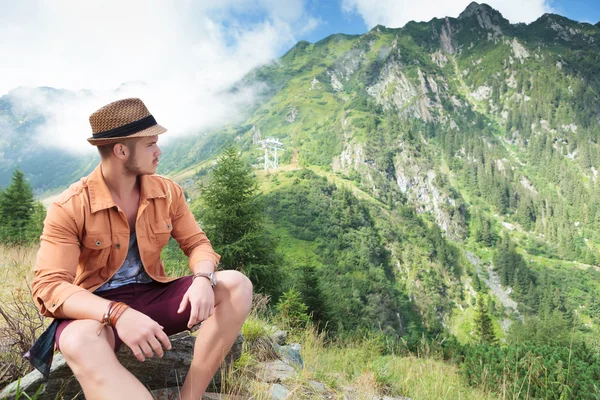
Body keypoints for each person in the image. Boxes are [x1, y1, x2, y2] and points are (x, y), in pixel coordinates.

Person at [28, 98, 253, 400]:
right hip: (95, 310)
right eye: (150, 144)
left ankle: (191, 397)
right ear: (121, 151)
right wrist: (118, 314)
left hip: (151, 295)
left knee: (236, 285)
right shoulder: (70, 206)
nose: (159, 152)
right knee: (79, 340)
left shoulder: (167, 191)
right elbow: (50, 286)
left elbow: (197, 244)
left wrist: (203, 278)